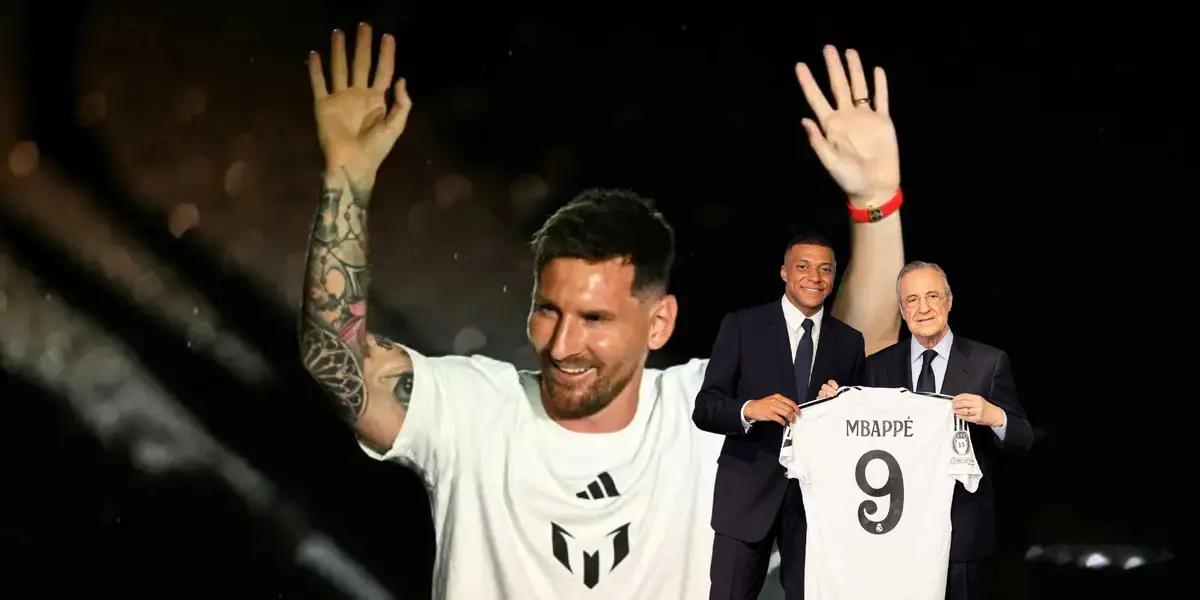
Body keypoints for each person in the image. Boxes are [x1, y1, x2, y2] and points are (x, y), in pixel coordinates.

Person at [299, 23, 903, 599]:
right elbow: (337, 361)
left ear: (658, 322)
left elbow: (856, 363)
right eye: (548, 311)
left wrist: (876, 202)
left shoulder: (711, 428)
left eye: (595, 320)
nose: (562, 345)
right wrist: (346, 178)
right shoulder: (475, 413)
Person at [822, 261, 1034, 600]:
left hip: (962, 536)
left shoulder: (988, 362)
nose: (923, 308)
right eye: (912, 300)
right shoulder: (877, 367)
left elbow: (1023, 439)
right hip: (896, 534)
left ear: (949, 301)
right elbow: (856, 435)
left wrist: (993, 415)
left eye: (932, 296)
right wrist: (833, 406)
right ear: (902, 310)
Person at [692, 229, 872, 599]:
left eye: (825, 269)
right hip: (746, 496)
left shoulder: (850, 341)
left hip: (815, 504)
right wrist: (749, 409)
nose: (815, 277)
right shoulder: (742, 326)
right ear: (784, 273)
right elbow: (706, 407)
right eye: (803, 267)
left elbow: (858, 426)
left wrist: (841, 406)